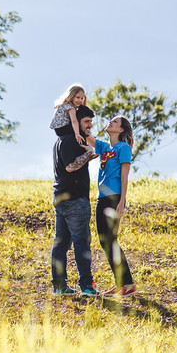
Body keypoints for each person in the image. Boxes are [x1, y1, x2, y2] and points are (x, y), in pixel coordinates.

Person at [50, 105, 101, 297]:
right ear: (76, 122)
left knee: (61, 243)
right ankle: (86, 286)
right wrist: (89, 152)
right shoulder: (71, 139)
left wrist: (88, 153)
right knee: (81, 243)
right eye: (86, 122)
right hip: (75, 200)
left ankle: (59, 286)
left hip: (61, 198)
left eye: (90, 122)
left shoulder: (61, 140)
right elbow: (71, 166)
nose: (90, 125)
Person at [92, 115, 136, 297]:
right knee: (105, 240)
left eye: (115, 122)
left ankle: (127, 284)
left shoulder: (123, 148)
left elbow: (125, 176)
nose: (110, 122)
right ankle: (121, 284)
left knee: (110, 240)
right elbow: (85, 136)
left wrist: (122, 201)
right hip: (101, 197)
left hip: (114, 197)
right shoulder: (104, 147)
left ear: (121, 129)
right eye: (110, 120)